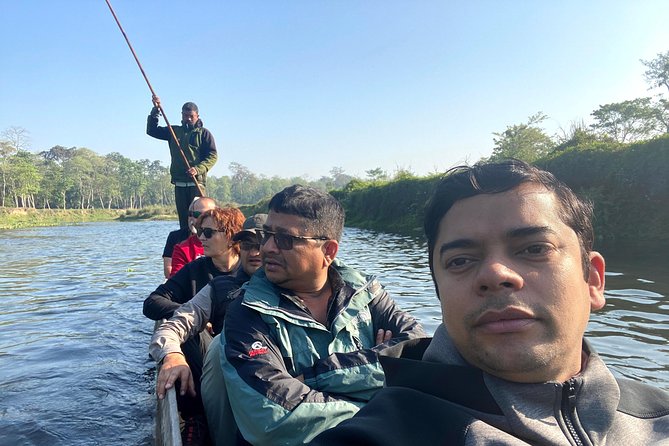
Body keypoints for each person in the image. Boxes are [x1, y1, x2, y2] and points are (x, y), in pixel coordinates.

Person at [312, 159, 669, 445]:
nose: (495, 273)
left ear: (592, 279)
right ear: (440, 292)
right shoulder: (379, 435)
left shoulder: (659, 415)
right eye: (461, 261)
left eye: (534, 249)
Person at [203, 185, 426, 446]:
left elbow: (416, 353)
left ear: (328, 251)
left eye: (285, 239)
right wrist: (381, 402)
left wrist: (315, 378)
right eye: (267, 235)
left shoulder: (366, 293)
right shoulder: (246, 313)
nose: (267, 248)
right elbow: (273, 417)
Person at [150, 214, 267, 446]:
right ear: (239, 246)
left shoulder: (294, 288)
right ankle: (197, 418)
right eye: (248, 245)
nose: (254, 252)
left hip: (268, 382)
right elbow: (171, 322)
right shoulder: (219, 287)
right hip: (227, 376)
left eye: (261, 245)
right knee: (213, 344)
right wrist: (172, 355)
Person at [147, 95, 218, 231]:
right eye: (186, 116)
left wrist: (198, 169)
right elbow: (151, 130)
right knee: (184, 223)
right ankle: (184, 248)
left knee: (199, 219)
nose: (188, 119)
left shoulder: (204, 134)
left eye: (191, 116)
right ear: (182, 115)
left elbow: (213, 156)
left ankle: (202, 245)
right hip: (179, 184)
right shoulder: (173, 131)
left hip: (196, 183)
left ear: (197, 116)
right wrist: (155, 110)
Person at [171, 197, 218, 277]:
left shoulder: (230, 242)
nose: (192, 218)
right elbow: (176, 282)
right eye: (190, 214)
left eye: (197, 214)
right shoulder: (182, 249)